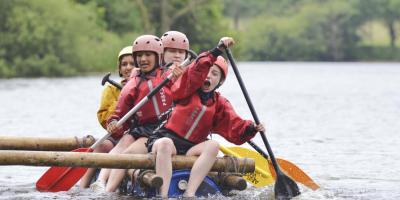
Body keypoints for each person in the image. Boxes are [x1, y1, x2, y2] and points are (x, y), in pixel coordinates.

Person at [146, 37, 265, 198]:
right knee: (166, 144)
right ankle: (163, 195)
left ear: (220, 81)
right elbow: (196, 70)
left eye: (214, 74)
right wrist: (216, 51)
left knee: (213, 145)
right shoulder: (187, 88)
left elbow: (234, 126)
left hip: (192, 148)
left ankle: (190, 193)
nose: (208, 76)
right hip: (165, 141)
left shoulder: (220, 103)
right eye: (207, 72)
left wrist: (251, 127)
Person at [100, 34, 185, 192]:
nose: (143, 59)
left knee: (128, 153)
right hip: (143, 128)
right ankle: (103, 185)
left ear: (158, 57)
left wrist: (181, 77)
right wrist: (113, 122)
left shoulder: (170, 75)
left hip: (164, 128)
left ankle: (107, 191)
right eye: (139, 55)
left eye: (147, 55)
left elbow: (187, 92)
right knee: (125, 140)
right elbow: (120, 113)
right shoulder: (133, 83)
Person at [79, 46, 135, 188]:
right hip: (116, 135)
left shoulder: (146, 87)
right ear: (120, 69)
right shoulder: (111, 89)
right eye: (124, 64)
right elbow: (103, 118)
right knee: (101, 145)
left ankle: (105, 181)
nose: (128, 67)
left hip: (136, 136)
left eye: (132, 63)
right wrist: (122, 100)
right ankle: (82, 186)